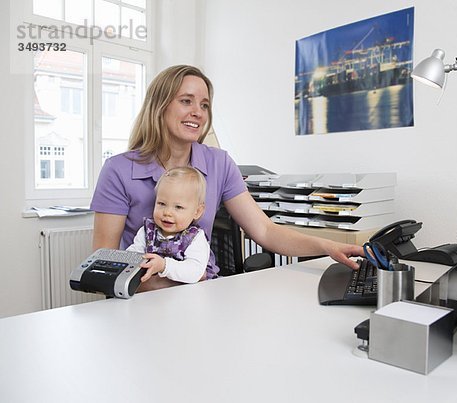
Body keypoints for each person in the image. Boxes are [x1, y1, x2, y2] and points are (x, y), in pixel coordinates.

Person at [91, 64, 363, 292]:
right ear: (159, 106)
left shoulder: (219, 162)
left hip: (203, 295)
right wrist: (171, 281)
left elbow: (265, 231)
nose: (198, 112)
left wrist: (326, 246)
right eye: (186, 101)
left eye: (205, 105)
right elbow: (104, 262)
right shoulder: (118, 170)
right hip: (145, 301)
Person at [126, 167, 210, 284]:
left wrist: (164, 266)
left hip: (189, 295)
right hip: (154, 295)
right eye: (162, 204)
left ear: (197, 211)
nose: (167, 212)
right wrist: (127, 260)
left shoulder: (195, 237)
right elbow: (134, 254)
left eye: (178, 207)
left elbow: (195, 272)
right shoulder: (147, 231)